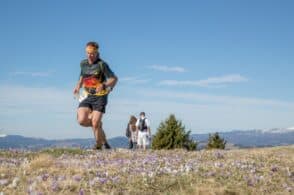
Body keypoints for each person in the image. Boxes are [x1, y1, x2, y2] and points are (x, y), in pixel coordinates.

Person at [73, 41, 118, 150]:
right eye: (88, 52)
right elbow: (82, 76)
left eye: (92, 53)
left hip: (100, 97)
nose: (90, 55)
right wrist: (78, 86)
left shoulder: (102, 64)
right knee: (82, 120)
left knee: (94, 123)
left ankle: (98, 146)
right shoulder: (83, 64)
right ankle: (98, 125)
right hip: (87, 95)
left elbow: (114, 79)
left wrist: (104, 85)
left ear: (97, 52)